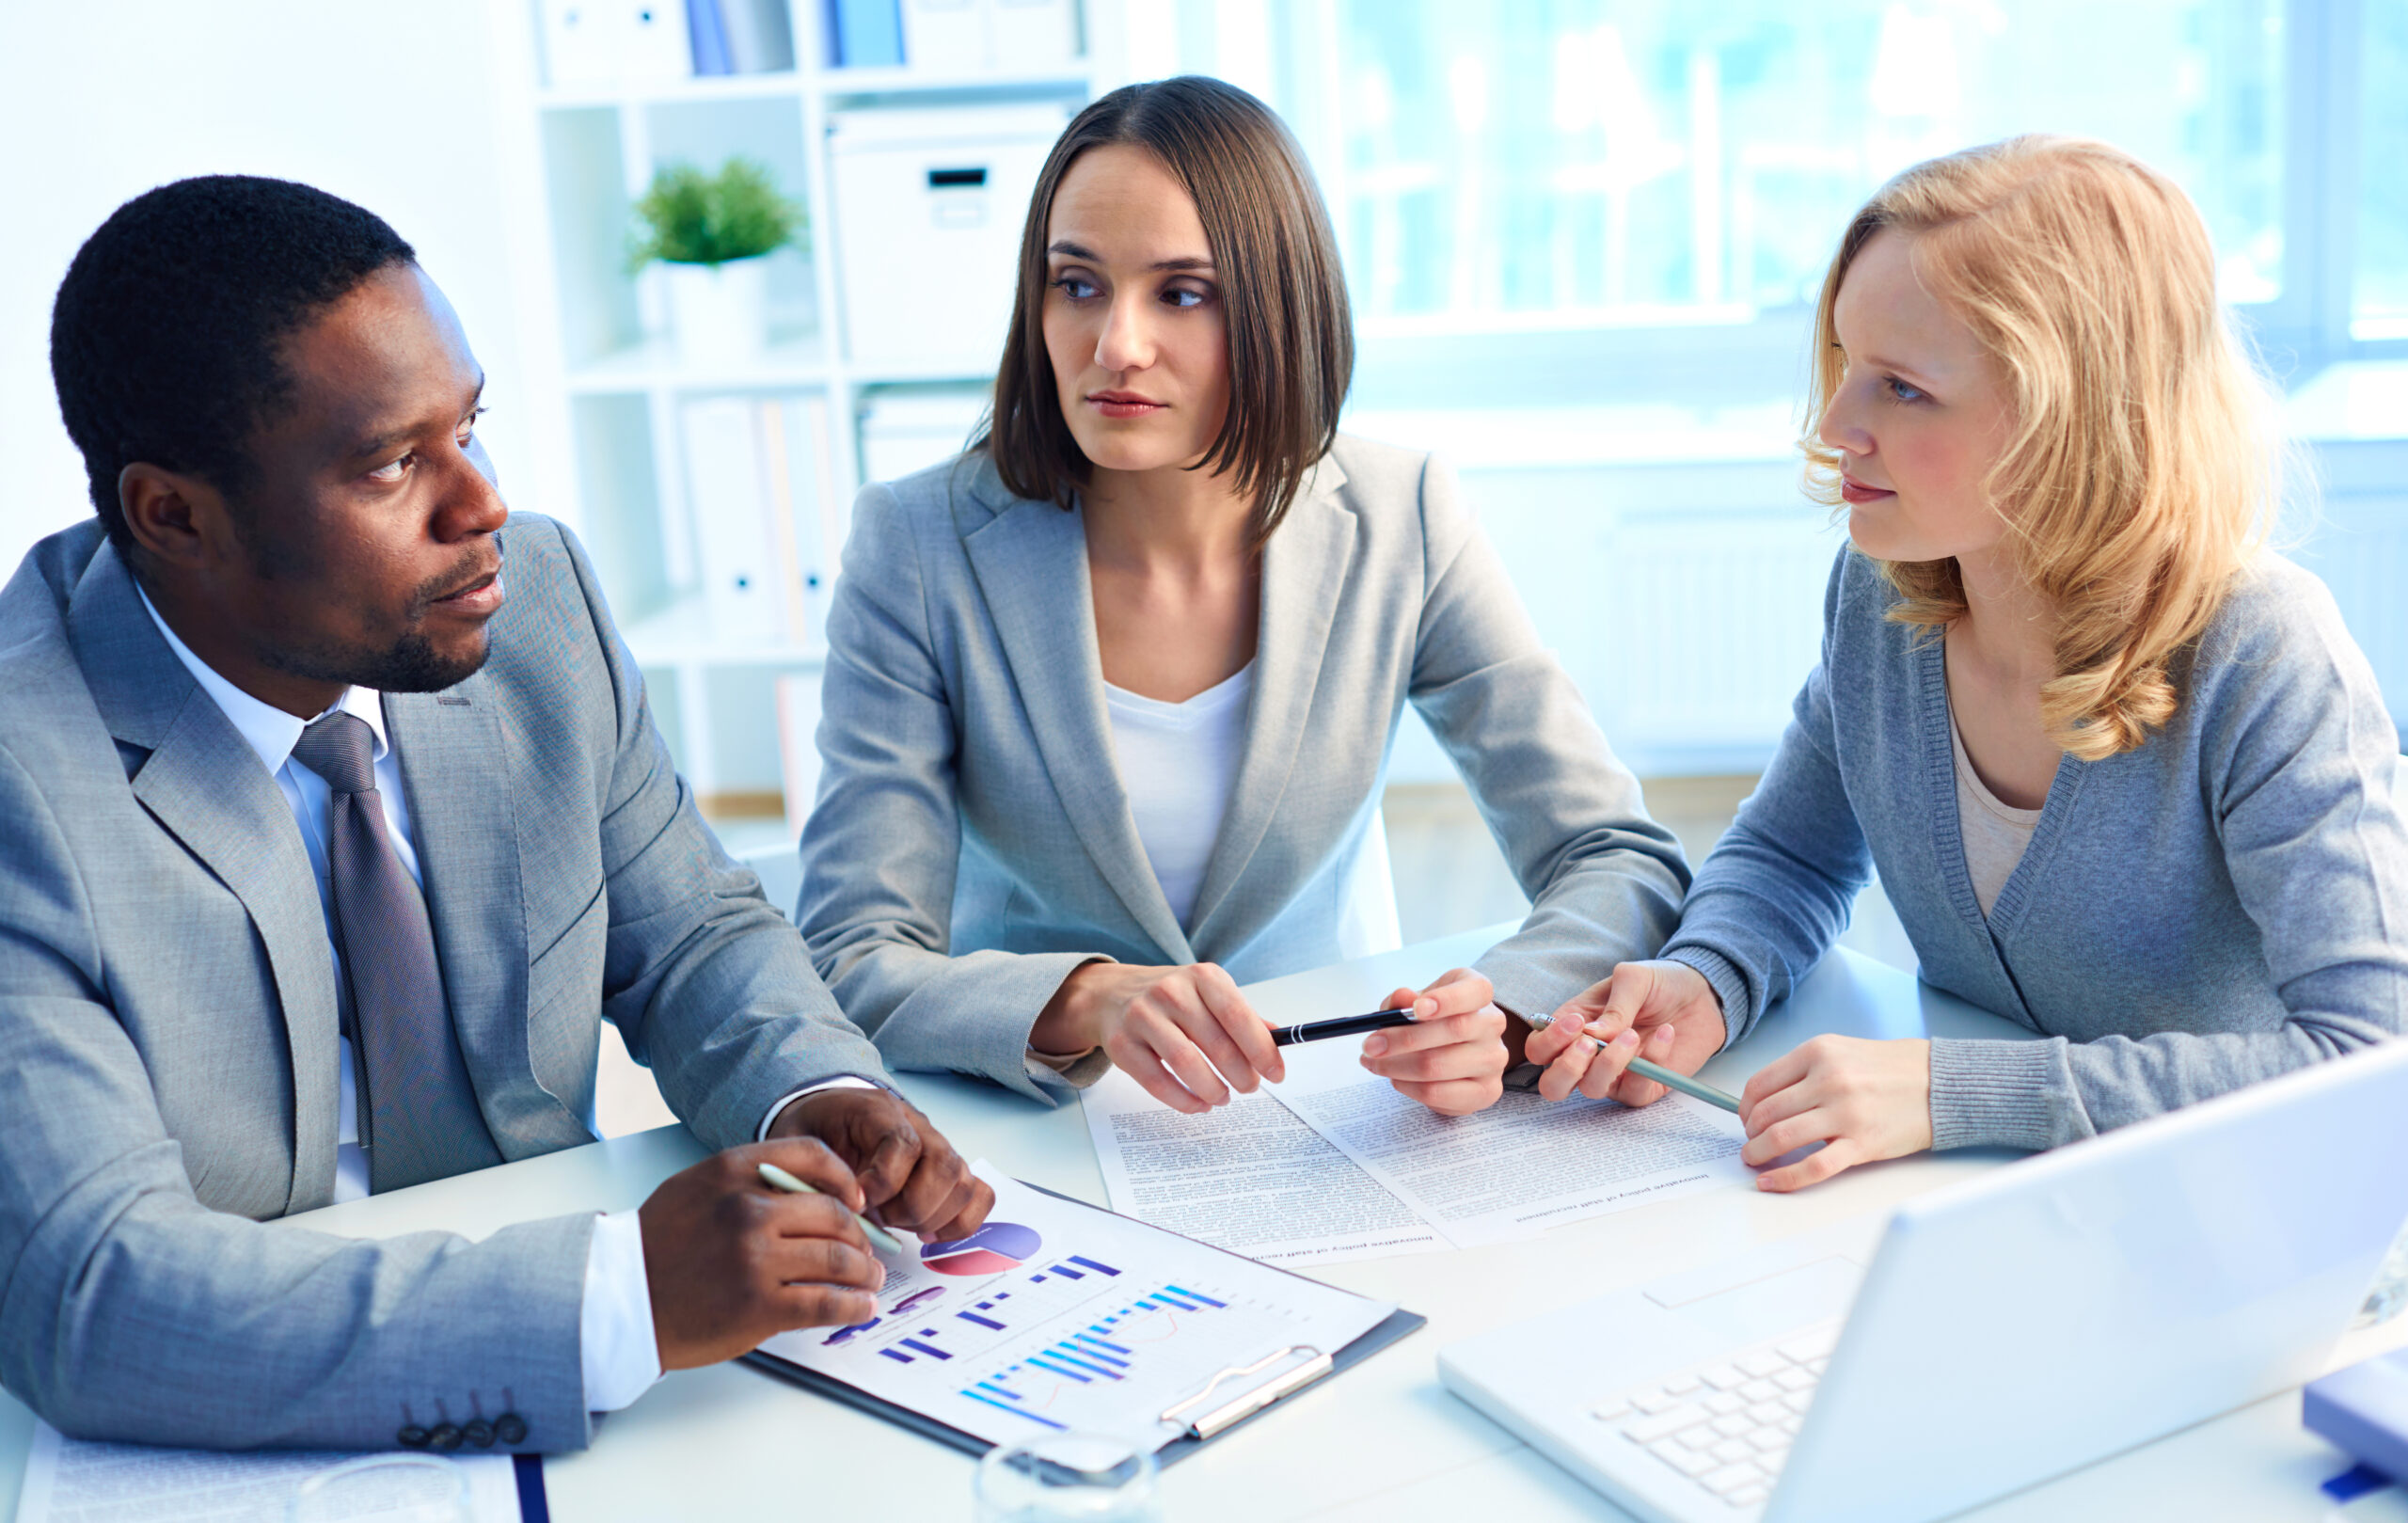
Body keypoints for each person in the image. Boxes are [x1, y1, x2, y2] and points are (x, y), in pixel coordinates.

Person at [0, 176, 993, 1452]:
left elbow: (690, 933)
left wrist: (814, 1090)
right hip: (247, 1416)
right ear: (174, 514)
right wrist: (617, 1295)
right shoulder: (27, 779)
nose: (481, 508)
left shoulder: (533, 603)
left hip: (619, 1396)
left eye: (472, 427)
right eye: (393, 463)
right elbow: (93, 1294)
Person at [1522, 135, 2408, 1189]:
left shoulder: (2262, 653)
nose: (1834, 427)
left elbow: (2371, 1061)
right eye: (1847, 368)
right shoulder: (1883, 598)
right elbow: (1789, 860)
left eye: (1900, 389)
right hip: (1998, 1210)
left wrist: (1955, 1091)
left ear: (2069, 419)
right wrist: (1704, 977)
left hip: (2242, 1224)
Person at [798, 76, 1688, 1119]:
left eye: (1181, 294)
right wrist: (1085, 998)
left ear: (1276, 309)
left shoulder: (1402, 515)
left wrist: (1506, 1011)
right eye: (1076, 284)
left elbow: (1614, 854)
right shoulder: (918, 545)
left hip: (1339, 1103)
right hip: (1043, 1120)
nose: (1114, 345)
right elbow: (852, 953)